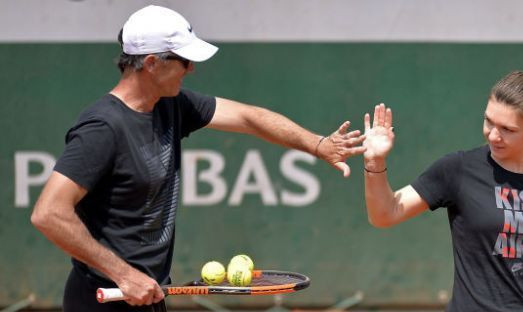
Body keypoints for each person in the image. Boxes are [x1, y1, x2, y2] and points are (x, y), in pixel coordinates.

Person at [30, 5, 365, 312]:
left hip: (149, 296)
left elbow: (249, 117)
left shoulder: (171, 104)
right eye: (184, 61)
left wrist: (318, 145)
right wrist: (123, 274)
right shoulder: (102, 128)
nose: (191, 69)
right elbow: (49, 214)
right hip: (102, 300)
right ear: (151, 63)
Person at [361, 59, 523, 311]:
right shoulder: (458, 169)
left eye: (507, 129)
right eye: (489, 121)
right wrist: (375, 161)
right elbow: (384, 213)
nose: (492, 135)